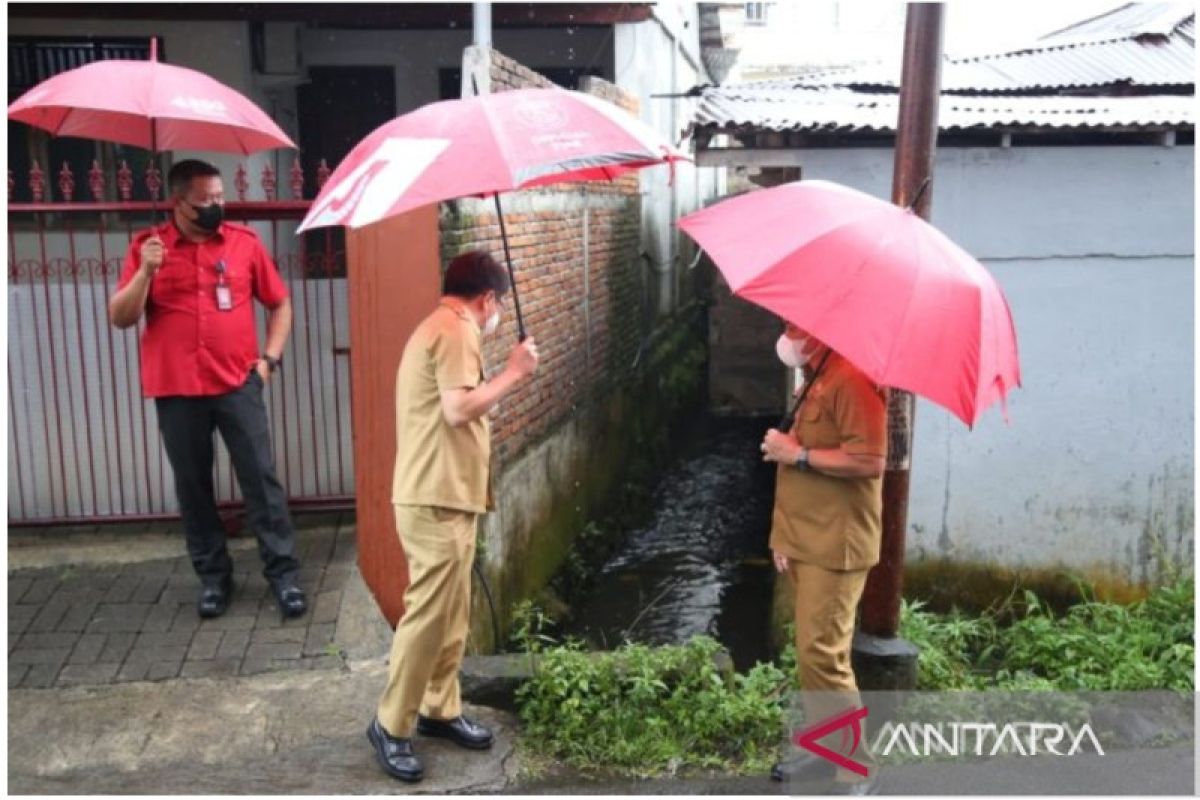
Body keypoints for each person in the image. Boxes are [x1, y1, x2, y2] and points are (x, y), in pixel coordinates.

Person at [367, 250, 539, 784]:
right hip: (434, 499)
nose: (500, 316)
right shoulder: (456, 329)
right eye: (500, 305)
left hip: (449, 497)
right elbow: (458, 408)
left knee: (453, 612)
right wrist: (515, 372)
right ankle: (390, 725)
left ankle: (440, 707)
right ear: (487, 299)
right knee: (427, 615)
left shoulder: (442, 327)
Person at [108, 159, 306, 621]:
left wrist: (269, 361)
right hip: (177, 388)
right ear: (178, 203)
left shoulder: (244, 245)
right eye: (206, 200)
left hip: (237, 381)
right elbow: (120, 317)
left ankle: (284, 577)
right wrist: (145, 273)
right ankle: (215, 579)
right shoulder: (147, 247)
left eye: (221, 197)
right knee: (193, 486)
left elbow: (279, 303)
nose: (218, 206)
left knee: (260, 479)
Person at [761, 321, 887, 795]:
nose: (786, 335)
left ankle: (856, 767)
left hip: (837, 544)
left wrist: (798, 455)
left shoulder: (853, 378)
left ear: (819, 332)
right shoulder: (819, 374)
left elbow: (870, 459)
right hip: (806, 539)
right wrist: (783, 537)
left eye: (794, 328)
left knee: (826, 656)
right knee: (811, 655)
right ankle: (824, 747)